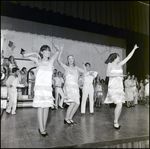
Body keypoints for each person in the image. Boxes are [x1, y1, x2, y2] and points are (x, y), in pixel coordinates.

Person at [22, 44, 60, 137]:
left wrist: (58, 48)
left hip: (47, 88)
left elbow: (58, 52)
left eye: (49, 50)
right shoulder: (38, 61)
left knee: (46, 107)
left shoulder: (51, 61)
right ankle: (41, 128)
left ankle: (43, 127)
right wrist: (35, 53)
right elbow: (24, 55)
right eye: (45, 50)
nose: (48, 52)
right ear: (42, 52)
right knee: (40, 107)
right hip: (40, 88)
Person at [104, 44, 139, 130]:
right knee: (119, 104)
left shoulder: (119, 64)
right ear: (114, 57)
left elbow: (128, 58)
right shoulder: (110, 64)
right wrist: (119, 74)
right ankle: (115, 122)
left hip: (120, 87)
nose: (119, 59)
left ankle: (116, 121)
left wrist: (134, 49)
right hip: (113, 87)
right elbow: (108, 74)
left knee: (120, 105)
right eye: (118, 57)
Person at [57, 44, 86, 125]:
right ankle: (66, 119)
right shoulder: (66, 67)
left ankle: (70, 118)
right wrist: (61, 51)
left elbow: (85, 72)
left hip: (75, 87)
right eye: (69, 58)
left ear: (73, 60)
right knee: (73, 102)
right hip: (69, 87)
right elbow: (58, 61)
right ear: (67, 60)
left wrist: (83, 65)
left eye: (72, 58)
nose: (70, 59)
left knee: (77, 103)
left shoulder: (76, 68)